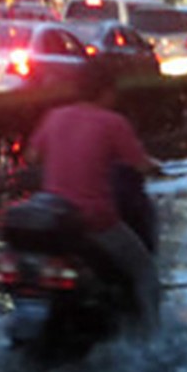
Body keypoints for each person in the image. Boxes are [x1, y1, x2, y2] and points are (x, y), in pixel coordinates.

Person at [25, 61, 162, 334]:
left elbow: (31, 157)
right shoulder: (113, 123)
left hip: (54, 221)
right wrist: (156, 167)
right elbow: (138, 163)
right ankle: (152, 336)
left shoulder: (54, 116)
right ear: (107, 91)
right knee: (146, 273)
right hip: (96, 221)